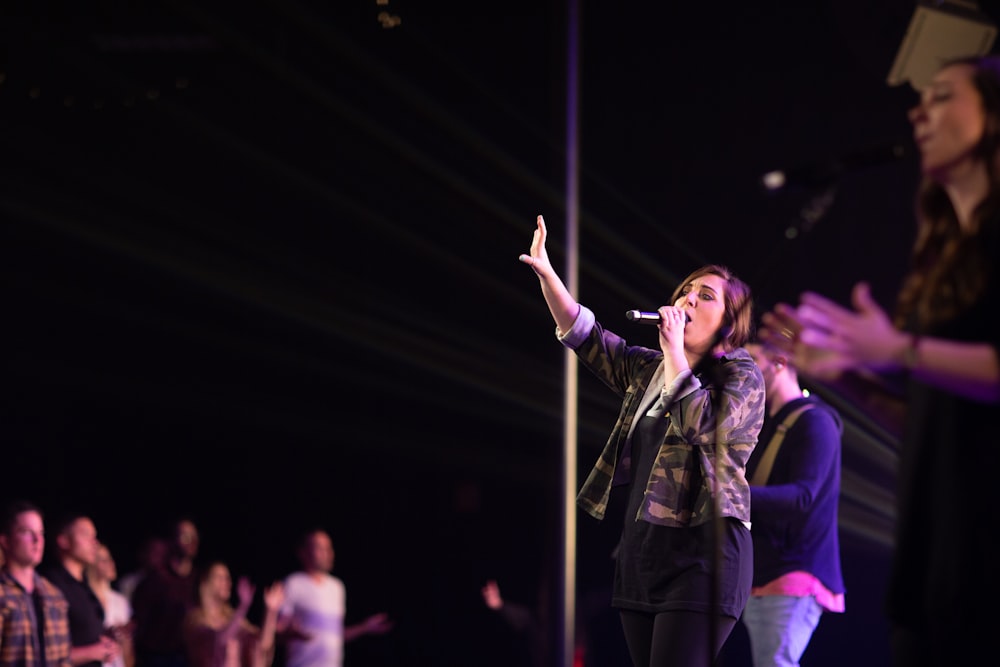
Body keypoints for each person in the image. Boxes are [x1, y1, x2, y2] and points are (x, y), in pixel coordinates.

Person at [758, 54, 1000, 667]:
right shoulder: (944, 262)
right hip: (937, 565)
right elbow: (936, 419)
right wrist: (852, 380)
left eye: (943, 97)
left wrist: (901, 350)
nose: (919, 112)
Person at [518, 214, 766, 667]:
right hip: (643, 553)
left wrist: (674, 349)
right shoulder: (648, 368)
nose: (688, 300)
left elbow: (698, 424)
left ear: (729, 324)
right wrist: (548, 275)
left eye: (705, 296)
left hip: (704, 558)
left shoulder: (741, 374)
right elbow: (585, 335)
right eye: (685, 292)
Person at [740, 342, 846, 667]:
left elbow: (803, 497)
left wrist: (731, 492)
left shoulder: (815, 422)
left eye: (752, 360)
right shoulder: (768, 426)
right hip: (763, 570)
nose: (743, 371)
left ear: (780, 361)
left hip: (793, 570)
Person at [275, 529, 392, 667]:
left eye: (329, 548)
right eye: (320, 548)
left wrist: (365, 627)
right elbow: (276, 631)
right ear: (303, 552)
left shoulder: (337, 587)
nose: (327, 553)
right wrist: (290, 633)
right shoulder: (293, 583)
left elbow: (337, 635)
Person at [41, 513, 122, 667]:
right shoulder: (52, 585)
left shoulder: (84, 585)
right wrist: (92, 651)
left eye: (95, 536)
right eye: (86, 535)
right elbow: (45, 651)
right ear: (63, 541)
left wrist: (105, 641)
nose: (95, 542)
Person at [0, 499, 73, 667]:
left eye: (41, 532)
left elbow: (64, 658)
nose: (37, 540)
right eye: (26, 532)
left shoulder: (54, 595)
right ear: (5, 540)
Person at [182, 561, 283, 667]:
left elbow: (262, 645)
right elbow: (219, 640)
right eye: (220, 577)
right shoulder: (195, 621)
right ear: (205, 583)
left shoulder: (233, 619)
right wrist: (243, 607)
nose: (227, 582)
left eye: (227, 578)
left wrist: (271, 612)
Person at [131, 518, 201, 667]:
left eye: (194, 536)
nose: (191, 541)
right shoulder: (157, 579)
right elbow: (139, 622)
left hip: (189, 657)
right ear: (173, 540)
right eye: (185, 536)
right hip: (157, 658)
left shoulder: (198, 581)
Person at [87, 542, 135, 667]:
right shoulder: (86, 599)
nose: (111, 563)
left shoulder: (120, 601)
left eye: (110, 559)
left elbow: (128, 647)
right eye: (103, 560)